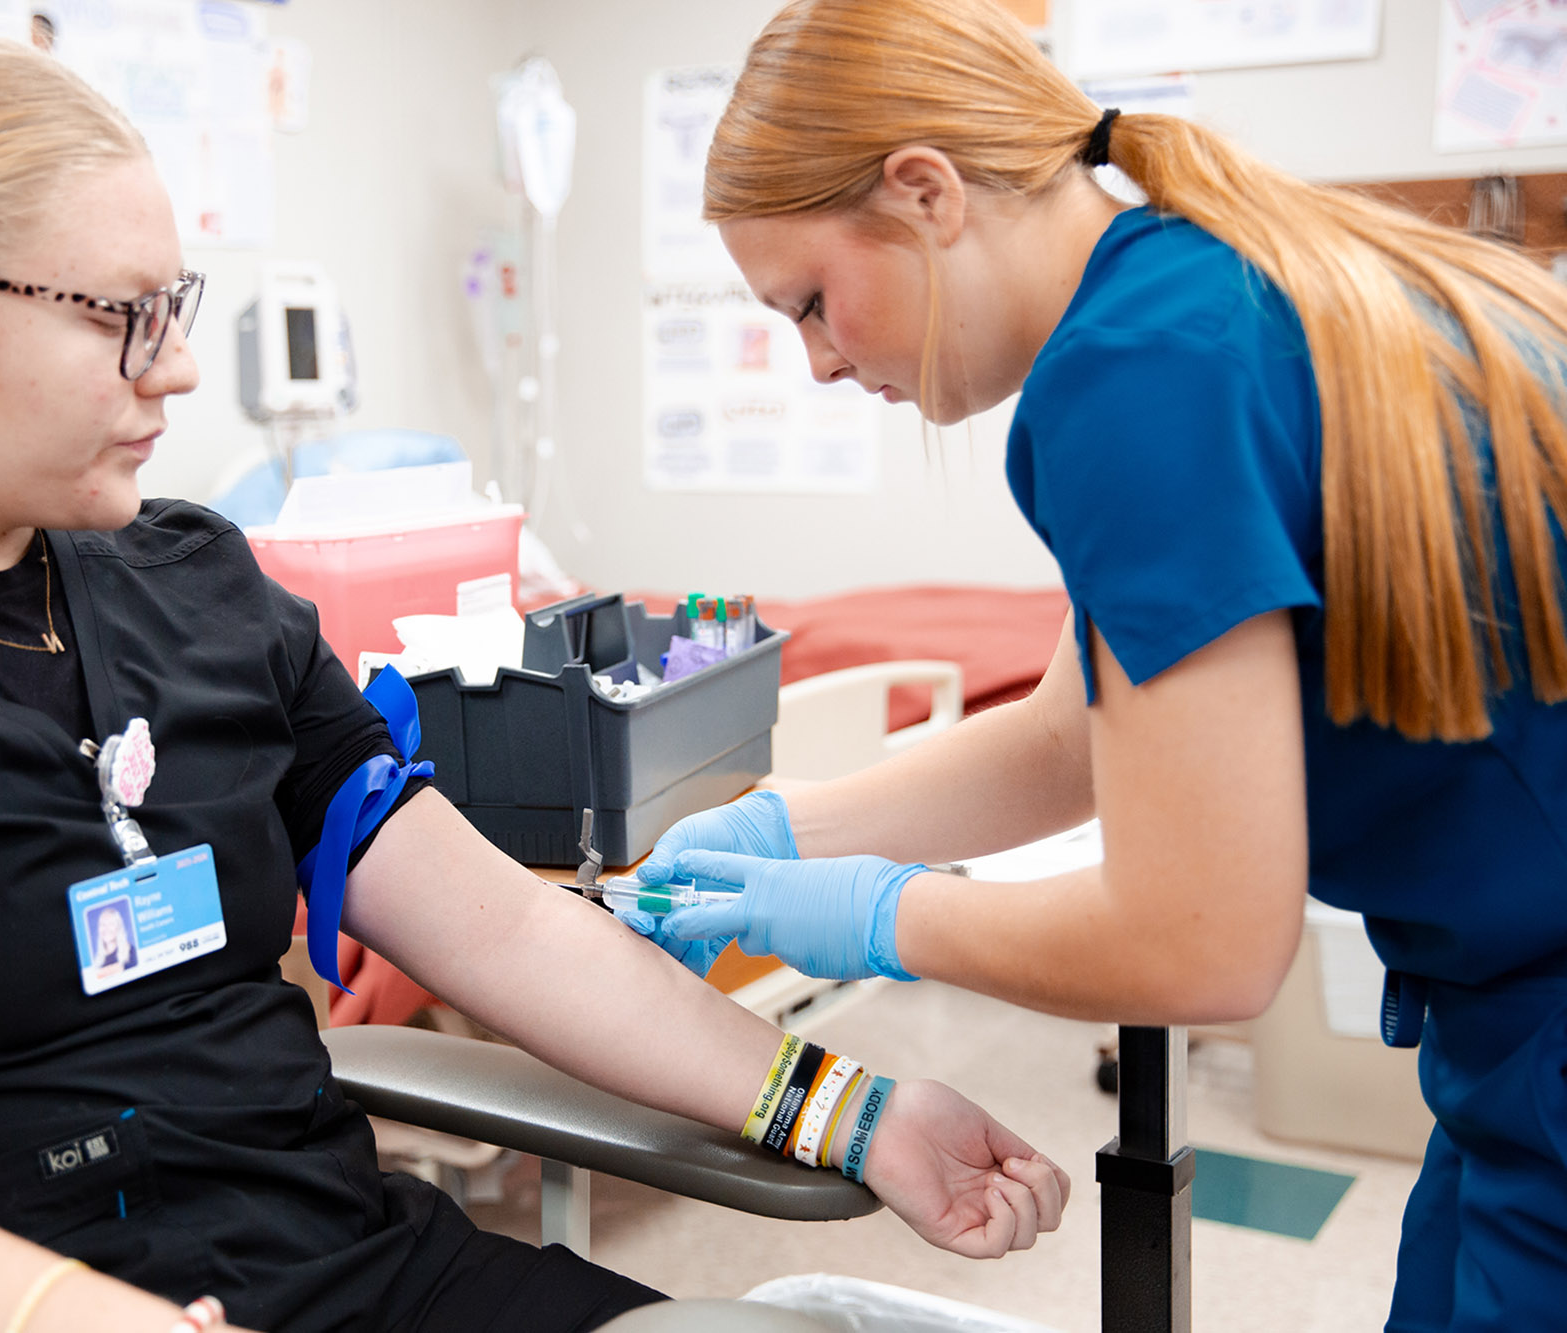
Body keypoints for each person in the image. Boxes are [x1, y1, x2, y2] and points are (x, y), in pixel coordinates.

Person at [0, 32, 1070, 1333]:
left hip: (354, 1273)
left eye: (176, 306)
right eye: (120, 316)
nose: (175, 370)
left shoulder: (196, 586)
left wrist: (849, 1107)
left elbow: (505, 931)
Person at [622, 2, 1567, 1329]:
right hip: (1515, 1024)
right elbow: (1071, 734)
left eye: (814, 304)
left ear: (927, 191)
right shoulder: (1197, 290)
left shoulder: (1136, 376)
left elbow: (1203, 943)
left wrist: (879, 912)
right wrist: (783, 831)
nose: (821, 362)